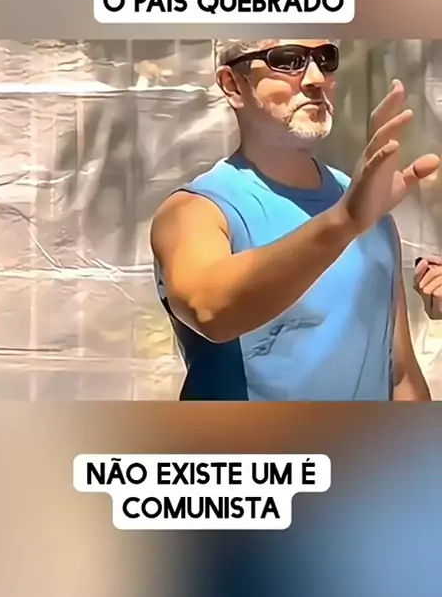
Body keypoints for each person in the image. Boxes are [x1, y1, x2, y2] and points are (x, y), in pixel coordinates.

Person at [150, 39, 440, 401]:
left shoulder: (366, 204)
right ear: (232, 84)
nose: (316, 78)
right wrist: (344, 222)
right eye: (287, 60)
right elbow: (209, 311)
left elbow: (400, 374)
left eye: (325, 58)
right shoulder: (198, 209)